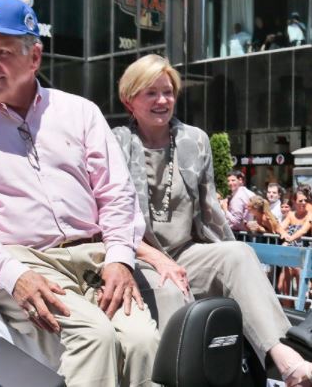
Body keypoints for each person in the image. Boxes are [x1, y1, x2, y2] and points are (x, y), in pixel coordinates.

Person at [0, 0, 159, 387]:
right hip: (23, 259)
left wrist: (120, 259)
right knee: (94, 337)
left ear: (34, 56)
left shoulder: (81, 113)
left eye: (2, 53)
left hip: (93, 255)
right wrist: (14, 275)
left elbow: (117, 194)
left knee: (143, 342)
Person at [112, 54, 312, 387]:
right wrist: (156, 259)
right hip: (139, 256)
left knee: (239, 255)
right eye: (151, 93)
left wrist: (243, 272)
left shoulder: (195, 140)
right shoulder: (114, 142)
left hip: (188, 251)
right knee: (171, 290)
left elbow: (211, 213)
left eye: (168, 92)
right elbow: (109, 218)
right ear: (129, 99)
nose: (162, 100)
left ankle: (285, 360)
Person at [278, 189, 312, 309]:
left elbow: (303, 230)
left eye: (305, 200)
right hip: (290, 255)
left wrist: (288, 239)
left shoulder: (310, 214)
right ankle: (289, 315)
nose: (303, 203)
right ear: (294, 201)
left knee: (301, 288)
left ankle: (303, 314)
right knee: (283, 287)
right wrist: (283, 233)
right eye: (300, 200)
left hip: (304, 256)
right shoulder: (291, 214)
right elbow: (280, 227)